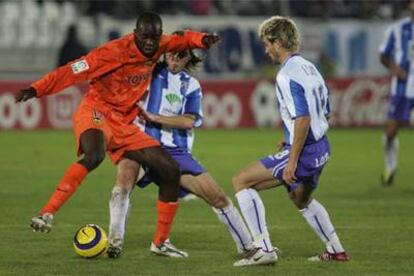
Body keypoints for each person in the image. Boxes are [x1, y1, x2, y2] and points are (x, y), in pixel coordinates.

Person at [15, 12, 219, 255]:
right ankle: (46, 214)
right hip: (97, 111)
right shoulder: (111, 52)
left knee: (170, 170)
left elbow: (183, 39)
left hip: (124, 122)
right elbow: (71, 70)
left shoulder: (161, 43)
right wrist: (36, 89)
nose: (150, 43)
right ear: (135, 33)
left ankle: (160, 243)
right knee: (94, 156)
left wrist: (203, 39)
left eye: (154, 37)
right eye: (145, 37)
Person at [107, 49, 255, 259]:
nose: (174, 59)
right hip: (140, 142)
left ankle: (248, 246)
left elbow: (188, 120)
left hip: (174, 150)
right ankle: (114, 242)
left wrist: (154, 117)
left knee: (217, 196)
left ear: (188, 58)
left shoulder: (191, 85)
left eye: (180, 56)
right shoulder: (148, 72)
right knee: (124, 180)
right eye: (170, 54)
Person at [231, 16, 349, 266]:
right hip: (321, 147)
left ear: (277, 42)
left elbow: (303, 118)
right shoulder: (310, 67)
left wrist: (292, 160)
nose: (266, 50)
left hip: (305, 151)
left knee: (241, 181)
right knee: (300, 199)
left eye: (267, 43)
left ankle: (263, 250)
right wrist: (288, 139)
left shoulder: (286, 74)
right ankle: (336, 250)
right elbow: (324, 109)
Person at [378, 0, 414, 187]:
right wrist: (395, 69)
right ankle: (390, 167)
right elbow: (383, 55)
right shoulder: (397, 29)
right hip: (402, 87)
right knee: (391, 131)